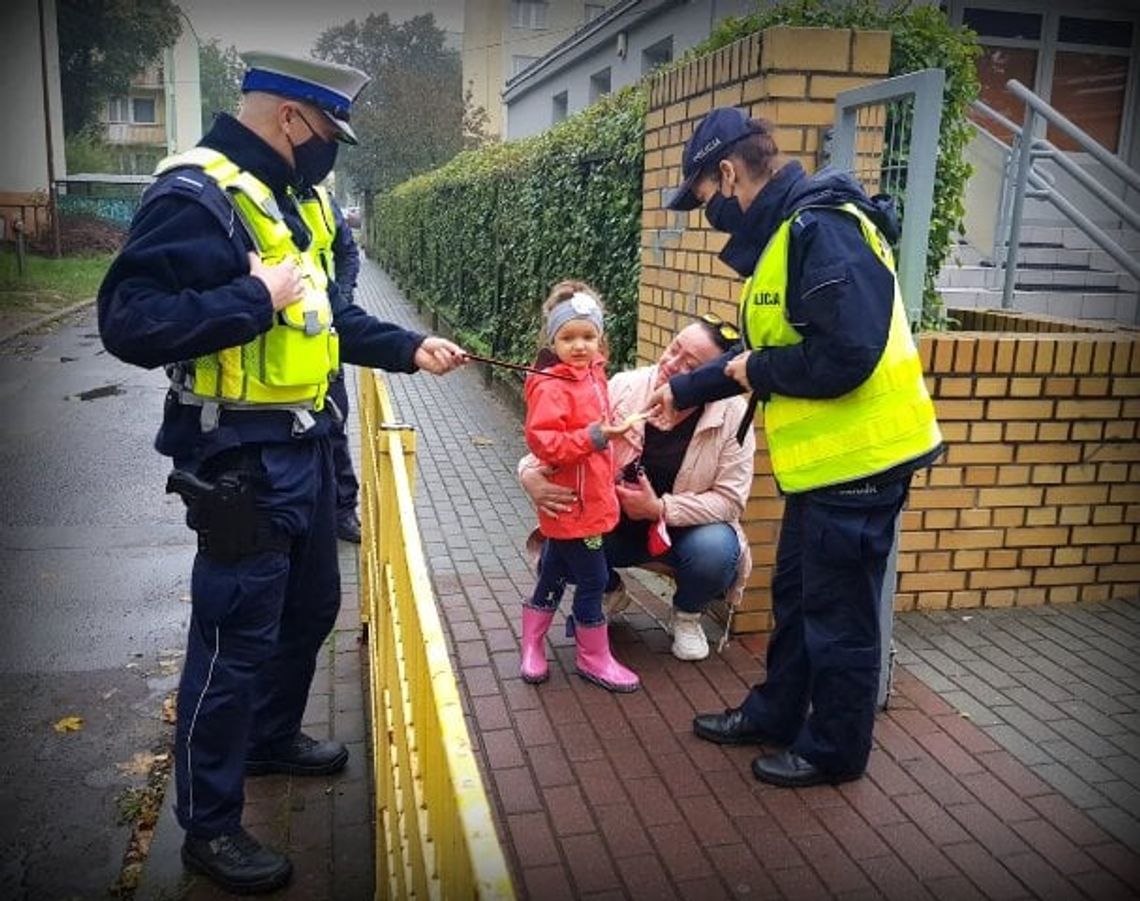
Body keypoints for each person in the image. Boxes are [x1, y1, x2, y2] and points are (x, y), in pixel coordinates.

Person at [97, 51, 466, 894]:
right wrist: (250, 299)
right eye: (329, 129)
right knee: (233, 641)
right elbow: (128, 318)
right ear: (292, 119)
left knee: (311, 609)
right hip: (238, 459)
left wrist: (409, 346)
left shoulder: (294, 199)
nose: (333, 146)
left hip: (305, 447)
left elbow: (329, 320)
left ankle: (271, 738)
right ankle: (210, 825)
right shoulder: (201, 193)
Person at [646, 107, 943, 788]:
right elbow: (764, 351)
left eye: (703, 198)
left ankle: (834, 750)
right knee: (799, 596)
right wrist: (686, 387)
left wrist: (762, 373)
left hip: (865, 462)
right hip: (828, 470)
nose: (708, 213)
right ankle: (777, 712)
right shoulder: (790, 232)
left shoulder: (822, 229)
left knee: (839, 618)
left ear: (727, 171)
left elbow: (849, 353)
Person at [520, 318, 755, 661]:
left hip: (683, 534)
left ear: (712, 379)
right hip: (611, 522)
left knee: (717, 550)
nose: (671, 364)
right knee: (556, 553)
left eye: (691, 366)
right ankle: (609, 591)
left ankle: (687, 615)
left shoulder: (734, 415)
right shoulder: (623, 387)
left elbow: (731, 500)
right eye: (674, 348)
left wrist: (659, 509)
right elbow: (556, 445)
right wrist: (529, 475)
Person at [520, 280, 640, 692]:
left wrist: (605, 437)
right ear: (552, 340)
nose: (580, 346)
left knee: (553, 571)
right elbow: (544, 442)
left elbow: (596, 437)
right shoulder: (551, 384)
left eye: (588, 336)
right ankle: (594, 657)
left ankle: (532, 644)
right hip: (572, 504)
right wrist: (595, 437)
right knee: (593, 580)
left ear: (600, 338)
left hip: (590, 499)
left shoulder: (595, 377)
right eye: (568, 337)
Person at [325, 198, 362, 543]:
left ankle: (343, 511)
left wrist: (343, 296)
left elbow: (348, 254)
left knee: (335, 426)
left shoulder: (323, 204)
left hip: (323, 344)